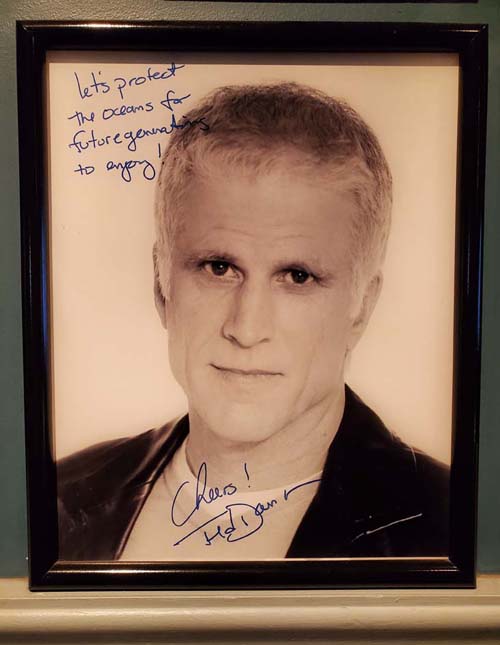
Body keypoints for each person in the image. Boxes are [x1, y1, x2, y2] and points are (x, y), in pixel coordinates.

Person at [57, 82, 449, 561]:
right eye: (219, 267)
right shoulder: (59, 497)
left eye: (297, 276)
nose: (246, 329)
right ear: (161, 285)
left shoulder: (451, 523)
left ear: (361, 307)